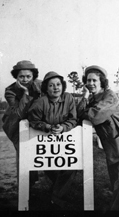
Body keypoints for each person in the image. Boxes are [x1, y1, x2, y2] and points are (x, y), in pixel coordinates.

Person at [77, 65, 119, 211]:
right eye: (88, 80)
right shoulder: (92, 99)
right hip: (111, 151)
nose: (90, 83)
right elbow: (78, 114)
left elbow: (95, 116)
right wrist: (85, 97)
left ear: (102, 82)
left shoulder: (110, 96)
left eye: (94, 80)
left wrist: (85, 111)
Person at [28, 71, 77, 210]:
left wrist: (63, 127)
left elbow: (73, 119)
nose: (56, 88)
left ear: (62, 86)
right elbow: (33, 120)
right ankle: (58, 195)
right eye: (51, 85)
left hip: (65, 143)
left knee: (71, 167)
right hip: (45, 145)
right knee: (51, 168)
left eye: (58, 84)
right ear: (45, 88)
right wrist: (47, 127)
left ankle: (55, 199)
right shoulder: (40, 102)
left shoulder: (69, 98)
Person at [2, 60, 41, 184]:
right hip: (15, 122)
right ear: (16, 77)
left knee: (40, 150)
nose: (25, 79)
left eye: (28, 76)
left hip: (35, 119)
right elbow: (19, 113)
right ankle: (26, 185)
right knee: (24, 151)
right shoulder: (10, 91)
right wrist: (26, 93)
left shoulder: (41, 85)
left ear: (33, 76)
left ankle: (35, 181)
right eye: (21, 77)